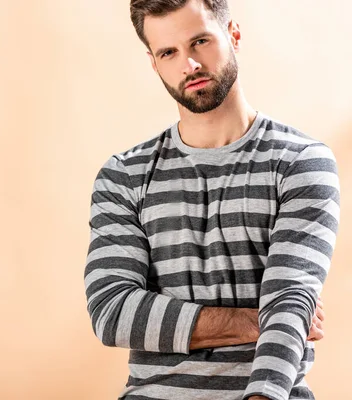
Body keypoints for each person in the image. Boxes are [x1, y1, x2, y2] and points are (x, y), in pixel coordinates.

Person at [83, 1, 340, 399]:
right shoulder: (124, 175)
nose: (189, 64)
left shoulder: (300, 161)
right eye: (169, 52)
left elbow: (290, 296)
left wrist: (281, 321)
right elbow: (113, 312)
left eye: (200, 41)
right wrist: (259, 320)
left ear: (233, 34)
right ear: (154, 63)